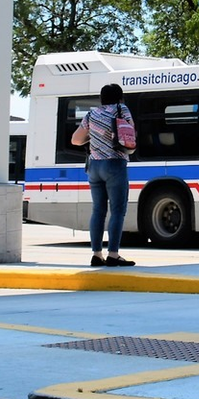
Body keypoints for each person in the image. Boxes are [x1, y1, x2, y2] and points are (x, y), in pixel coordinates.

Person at [71, 83, 135, 267]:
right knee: (117, 211)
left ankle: (96, 254)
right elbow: (130, 130)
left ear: (101, 98)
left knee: (98, 211)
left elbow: (75, 140)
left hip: (94, 166)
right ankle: (113, 254)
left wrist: (95, 137)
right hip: (115, 163)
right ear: (120, 98)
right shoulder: (121, 109)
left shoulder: (92, 114)